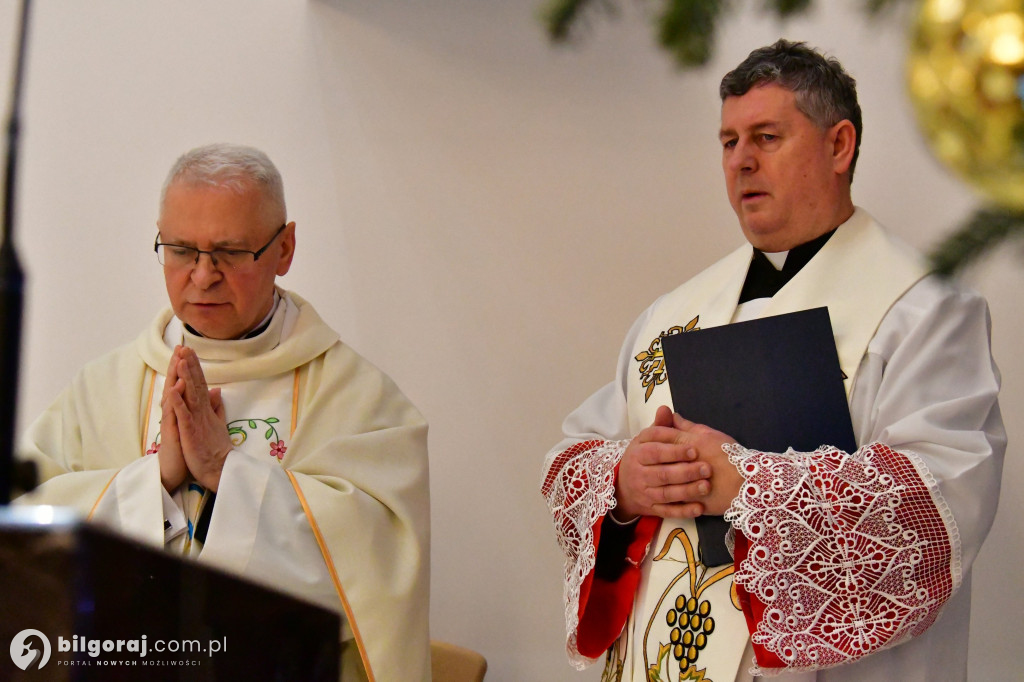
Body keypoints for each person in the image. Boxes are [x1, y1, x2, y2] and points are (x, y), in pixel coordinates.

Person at [540, 40, 1005, 682]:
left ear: (839, 146)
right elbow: (576, 450)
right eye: (728, 142)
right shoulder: (673, 313)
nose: (742, 162)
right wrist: (622, 481)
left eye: (766, 136)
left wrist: (747, 487)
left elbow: (938, 503)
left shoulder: (923, 311)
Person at [16, 143, 431, 681]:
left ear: (284, 249)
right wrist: (154, 482)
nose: (203, 275)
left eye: (231, 252)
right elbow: (27, 541)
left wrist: (224, 470)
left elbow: (379, 565)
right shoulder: (102, 389)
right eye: (182, 250)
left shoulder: (358, 398)